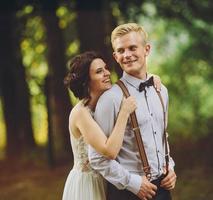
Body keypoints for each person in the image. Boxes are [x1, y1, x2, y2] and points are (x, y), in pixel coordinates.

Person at [89, 23, 177, 200]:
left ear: (147, 49)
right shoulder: (110, 99)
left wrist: (170, 167)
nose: (127, 55)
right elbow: (97, 158)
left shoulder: (161, 91)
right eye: (121, 51)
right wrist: (133, 183)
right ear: (115, 56)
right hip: (127, 193)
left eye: (132, 48)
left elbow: (161, 136)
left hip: (163, 189)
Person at [62, 51, 162, 200]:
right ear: (85, 81)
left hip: (109, 180)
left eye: (106, 68)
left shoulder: (104, 104)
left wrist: (150, 78)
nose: (107, 73)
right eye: (99, 71)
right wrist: (124, 112)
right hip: (89, 184)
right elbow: (110, 151)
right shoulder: (81, 113)